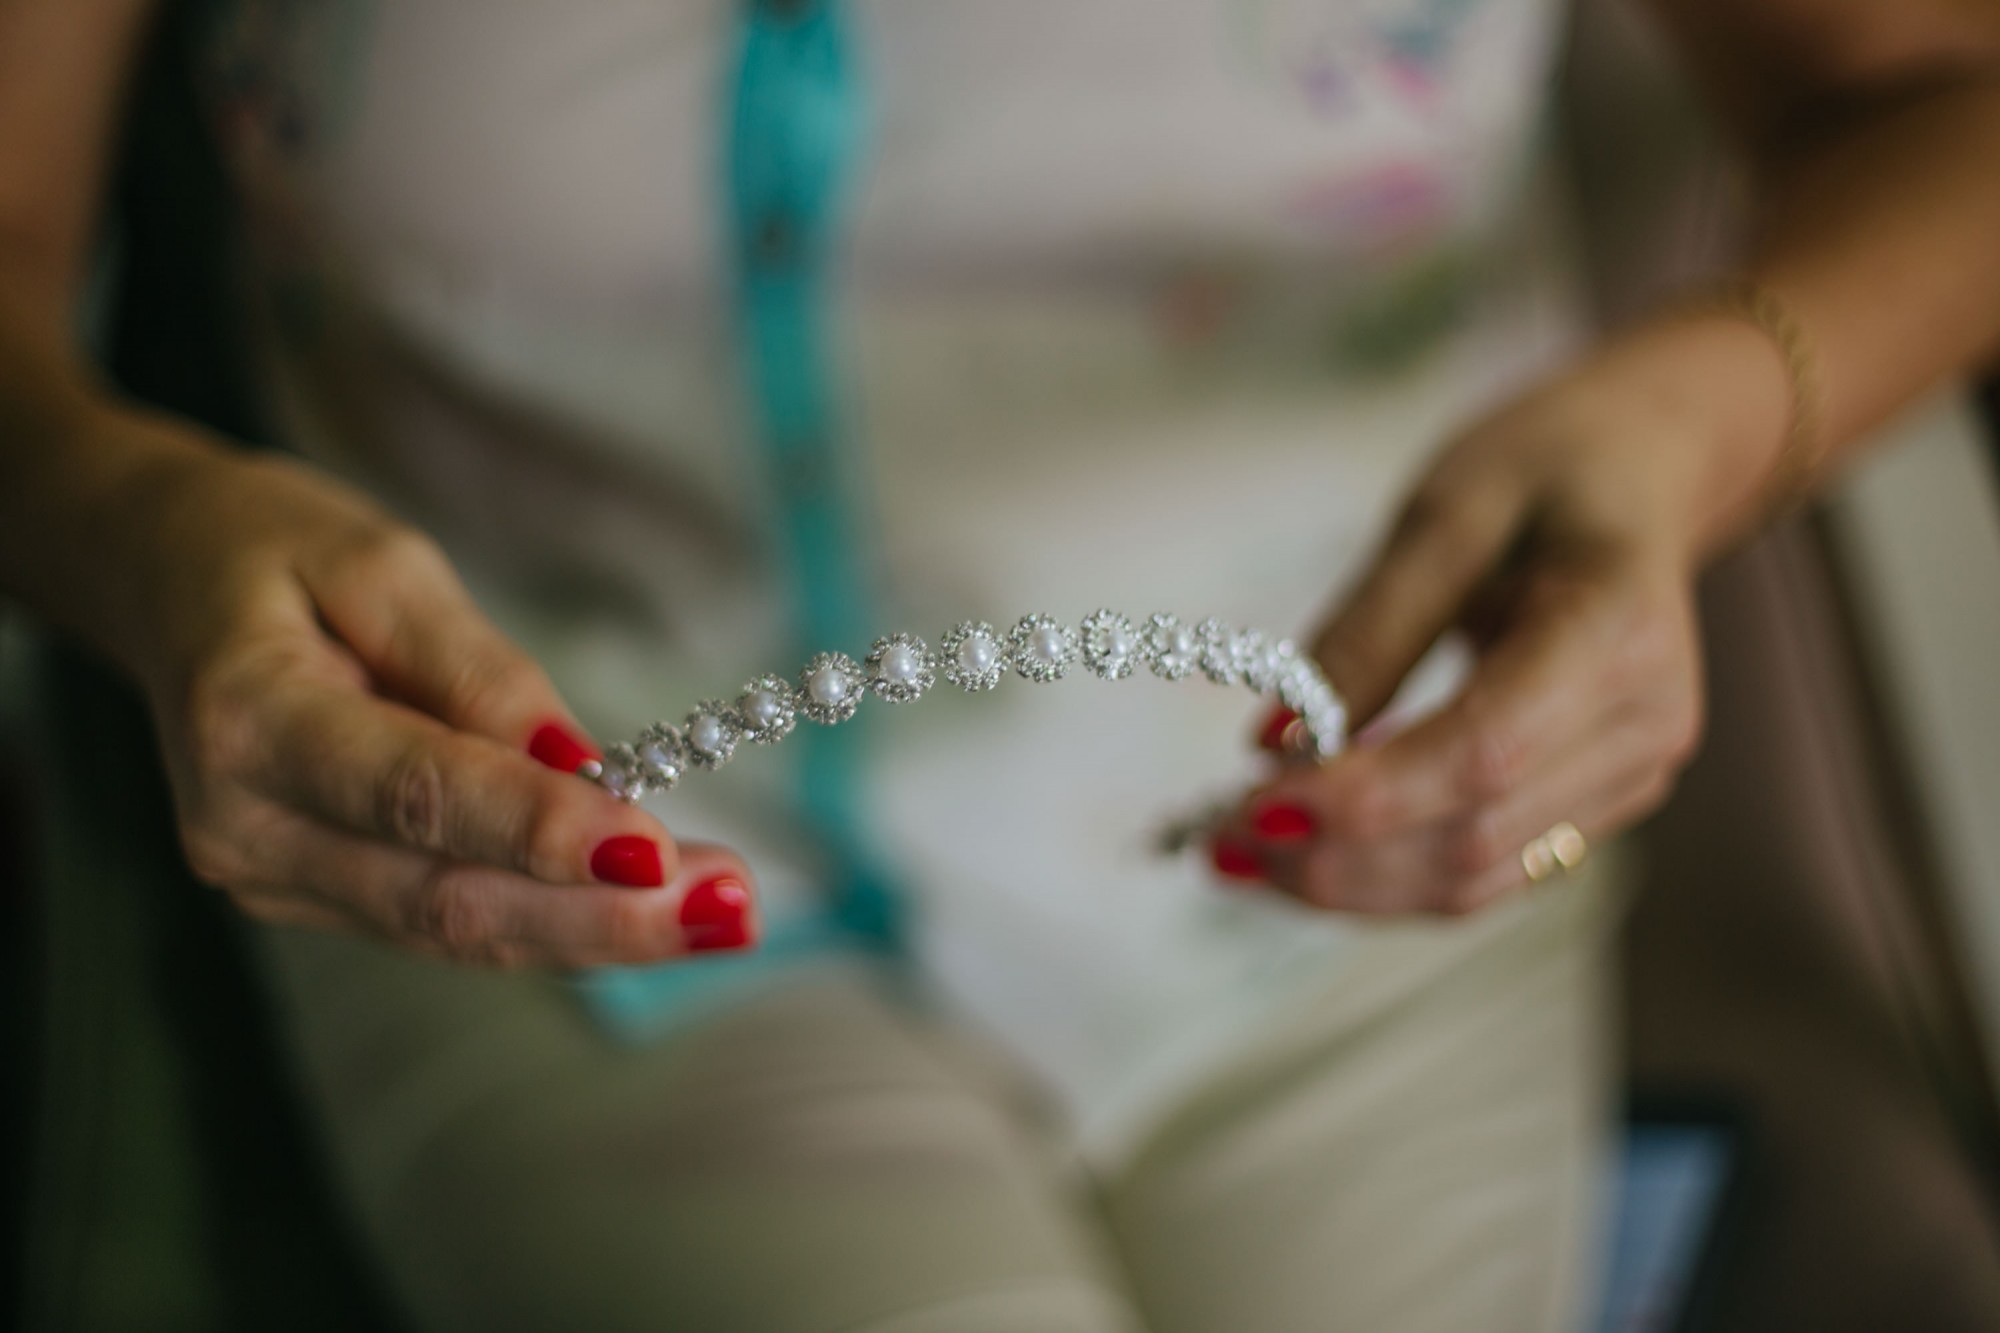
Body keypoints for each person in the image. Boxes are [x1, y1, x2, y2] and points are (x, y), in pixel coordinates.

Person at [4, 1, 1999, 1329]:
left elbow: (1934, 96)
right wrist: (133, 531)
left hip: (1365, 883)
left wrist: (1696, 423)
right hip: (558, 902)